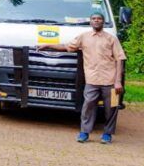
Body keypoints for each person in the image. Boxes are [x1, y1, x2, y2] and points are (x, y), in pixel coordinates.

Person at [38, 13, 126, 144]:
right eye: (94, 19)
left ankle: (107, 134)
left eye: (99, 19)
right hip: (92, 80)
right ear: (90, 22)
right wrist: (48, 45)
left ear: (103, 22)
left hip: (111, 81)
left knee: (112, 108)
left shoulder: (111, 39)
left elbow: (120, 59)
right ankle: (84, 132)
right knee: (88, 106)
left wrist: (118, 81)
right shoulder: (84, 37)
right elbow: (67, 46)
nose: (96, 21)